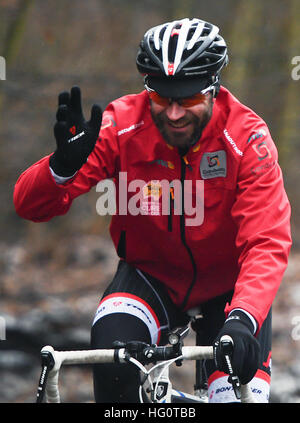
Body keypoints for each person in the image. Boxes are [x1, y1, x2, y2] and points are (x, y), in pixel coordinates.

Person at [13, 18, 291, 403]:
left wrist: (243, 318)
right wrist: (59, 168)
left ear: (213, 90)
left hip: (230, 289)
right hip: (150, 277)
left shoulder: (247, 138)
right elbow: (28, 206)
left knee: (235, 392)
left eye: (189, 99)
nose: (174, 114)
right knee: (114, 366)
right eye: (162, 99)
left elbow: (267, 241)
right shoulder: (120, 126)